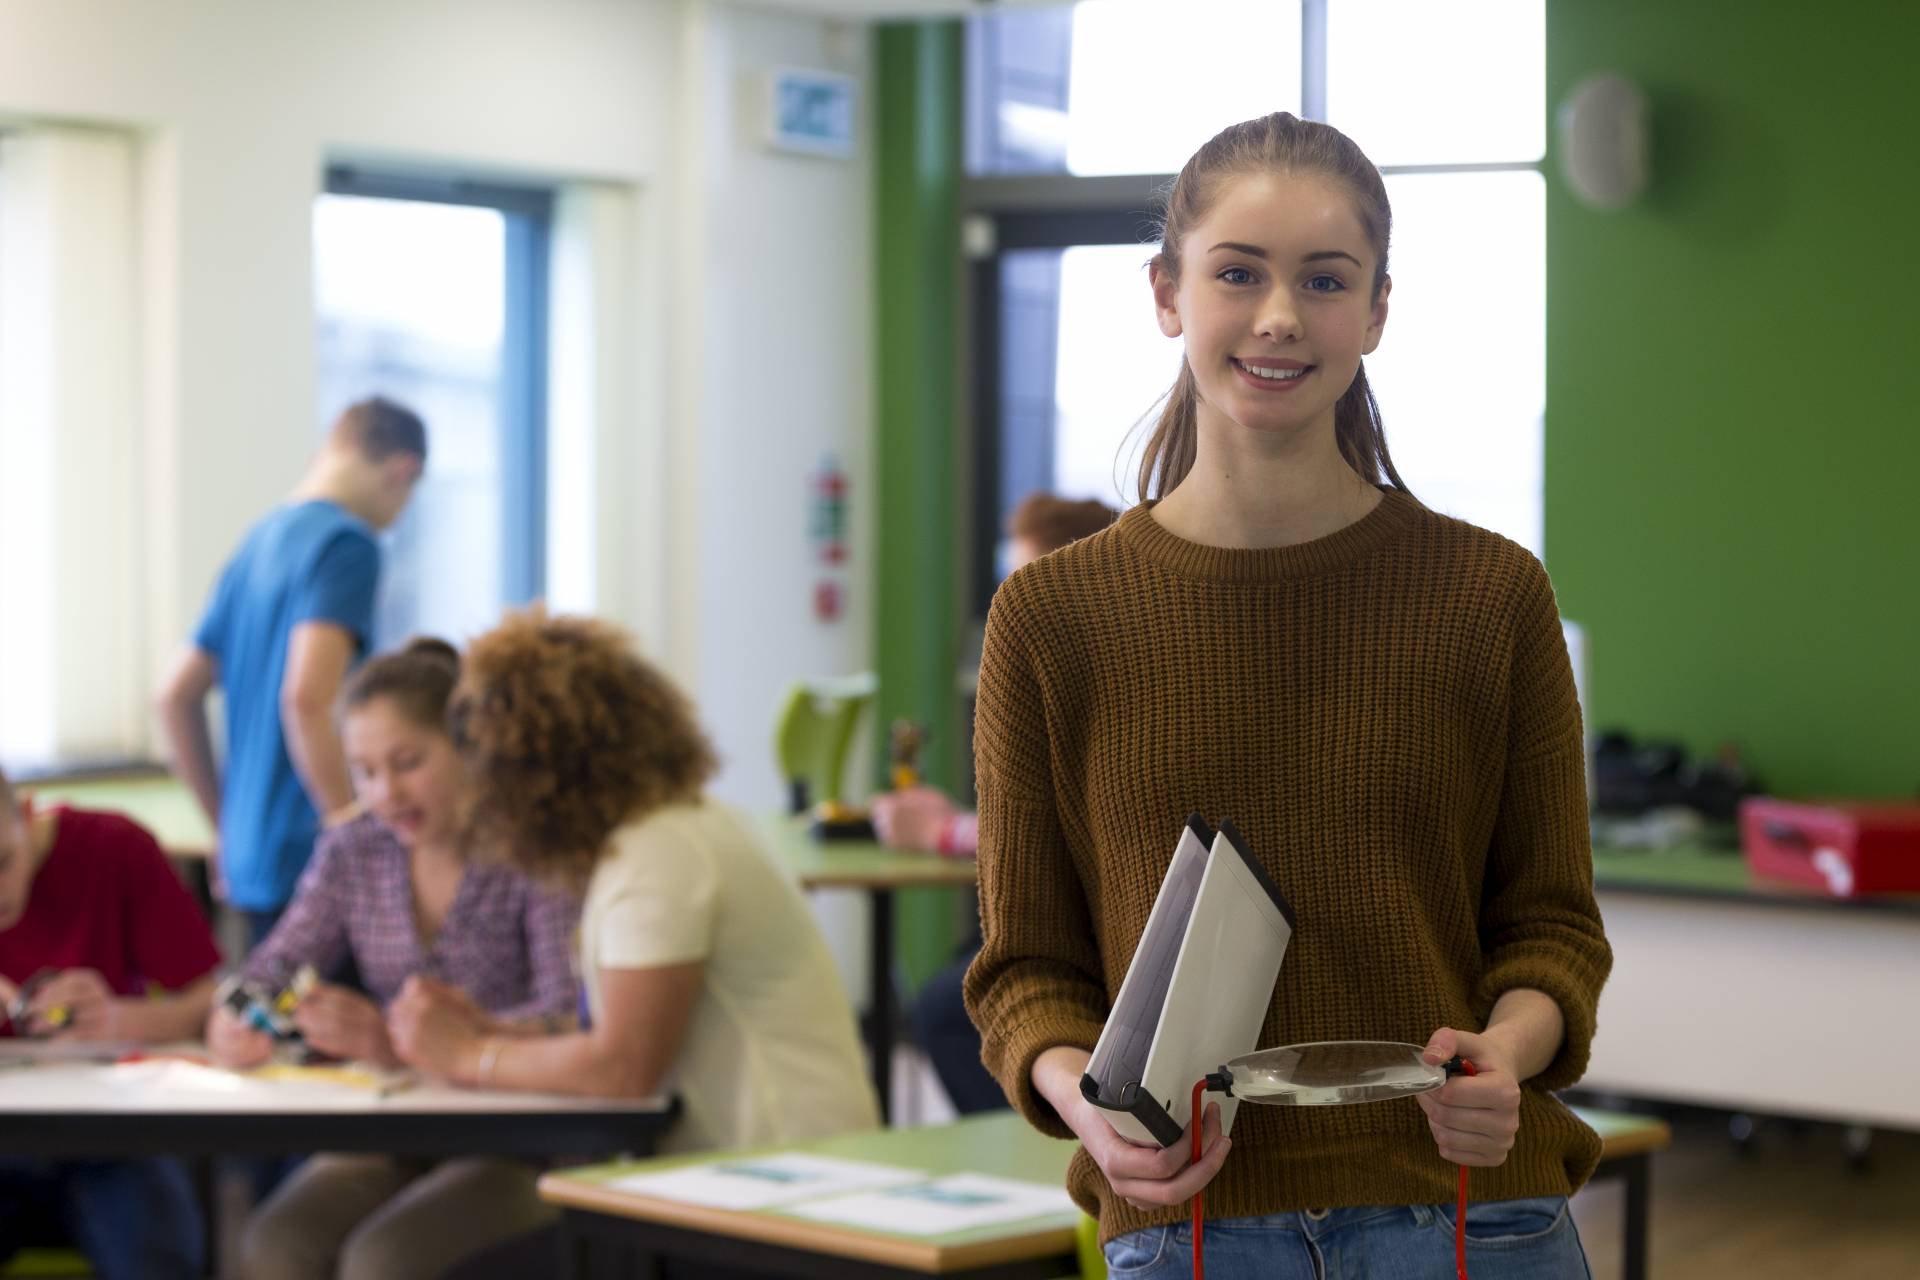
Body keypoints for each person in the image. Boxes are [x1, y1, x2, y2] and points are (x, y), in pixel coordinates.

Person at [962, 112, 1612, 1280]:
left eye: (1324, 279)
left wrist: (1507, 1053)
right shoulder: (1052, 620)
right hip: (1193, 1226)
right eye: (1238, 273)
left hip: (1470, 1214)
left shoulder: (1489, 592)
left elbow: (1553, 928)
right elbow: (1028, 974)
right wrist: (1086, 1102)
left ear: (1375, 311)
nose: (1278, 316)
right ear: (1168, 294)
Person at [385, 611, 878, 1160]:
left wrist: (466, 1054)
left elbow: (622, 1066)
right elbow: (620, 1032)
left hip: (788, 1177)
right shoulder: (675, 826)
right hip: (769, 1168)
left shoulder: (660, 854)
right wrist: (495, 1032)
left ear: (534, 774)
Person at [204, 638, 581, 1280]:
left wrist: (401, 1042)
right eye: (364, 771)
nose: (385, 792)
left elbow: (567, 1017)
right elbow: (266, 970)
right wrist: (239, 1018)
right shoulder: (353, 850)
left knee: (384, 1261)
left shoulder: (531, 849)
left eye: (408, 762)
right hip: (392, 1130)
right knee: (273, 1243)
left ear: (469, 746)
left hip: (516, 1142)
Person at [871, 492, 1116, 1115]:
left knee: (949, 1007)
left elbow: (1084, 830)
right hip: (1070, 921)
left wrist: (944, 832)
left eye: (1022, 581)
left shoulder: (1103, 676)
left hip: (1099, 933)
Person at [156, 395, 427, 944]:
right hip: (311, 852)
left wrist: (225, 829)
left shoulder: (257, 542)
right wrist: (351, 831)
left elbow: (173, 695)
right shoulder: (348, 545)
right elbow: (307, 698)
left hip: (252, 854)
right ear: (404, 472)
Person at [0, 765, 219, 1280]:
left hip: (111, 1138)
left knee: (158, 1255)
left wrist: (124, 1019)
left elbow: (212, 997)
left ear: (27, 816)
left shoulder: (114, 847)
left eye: (3, 862)